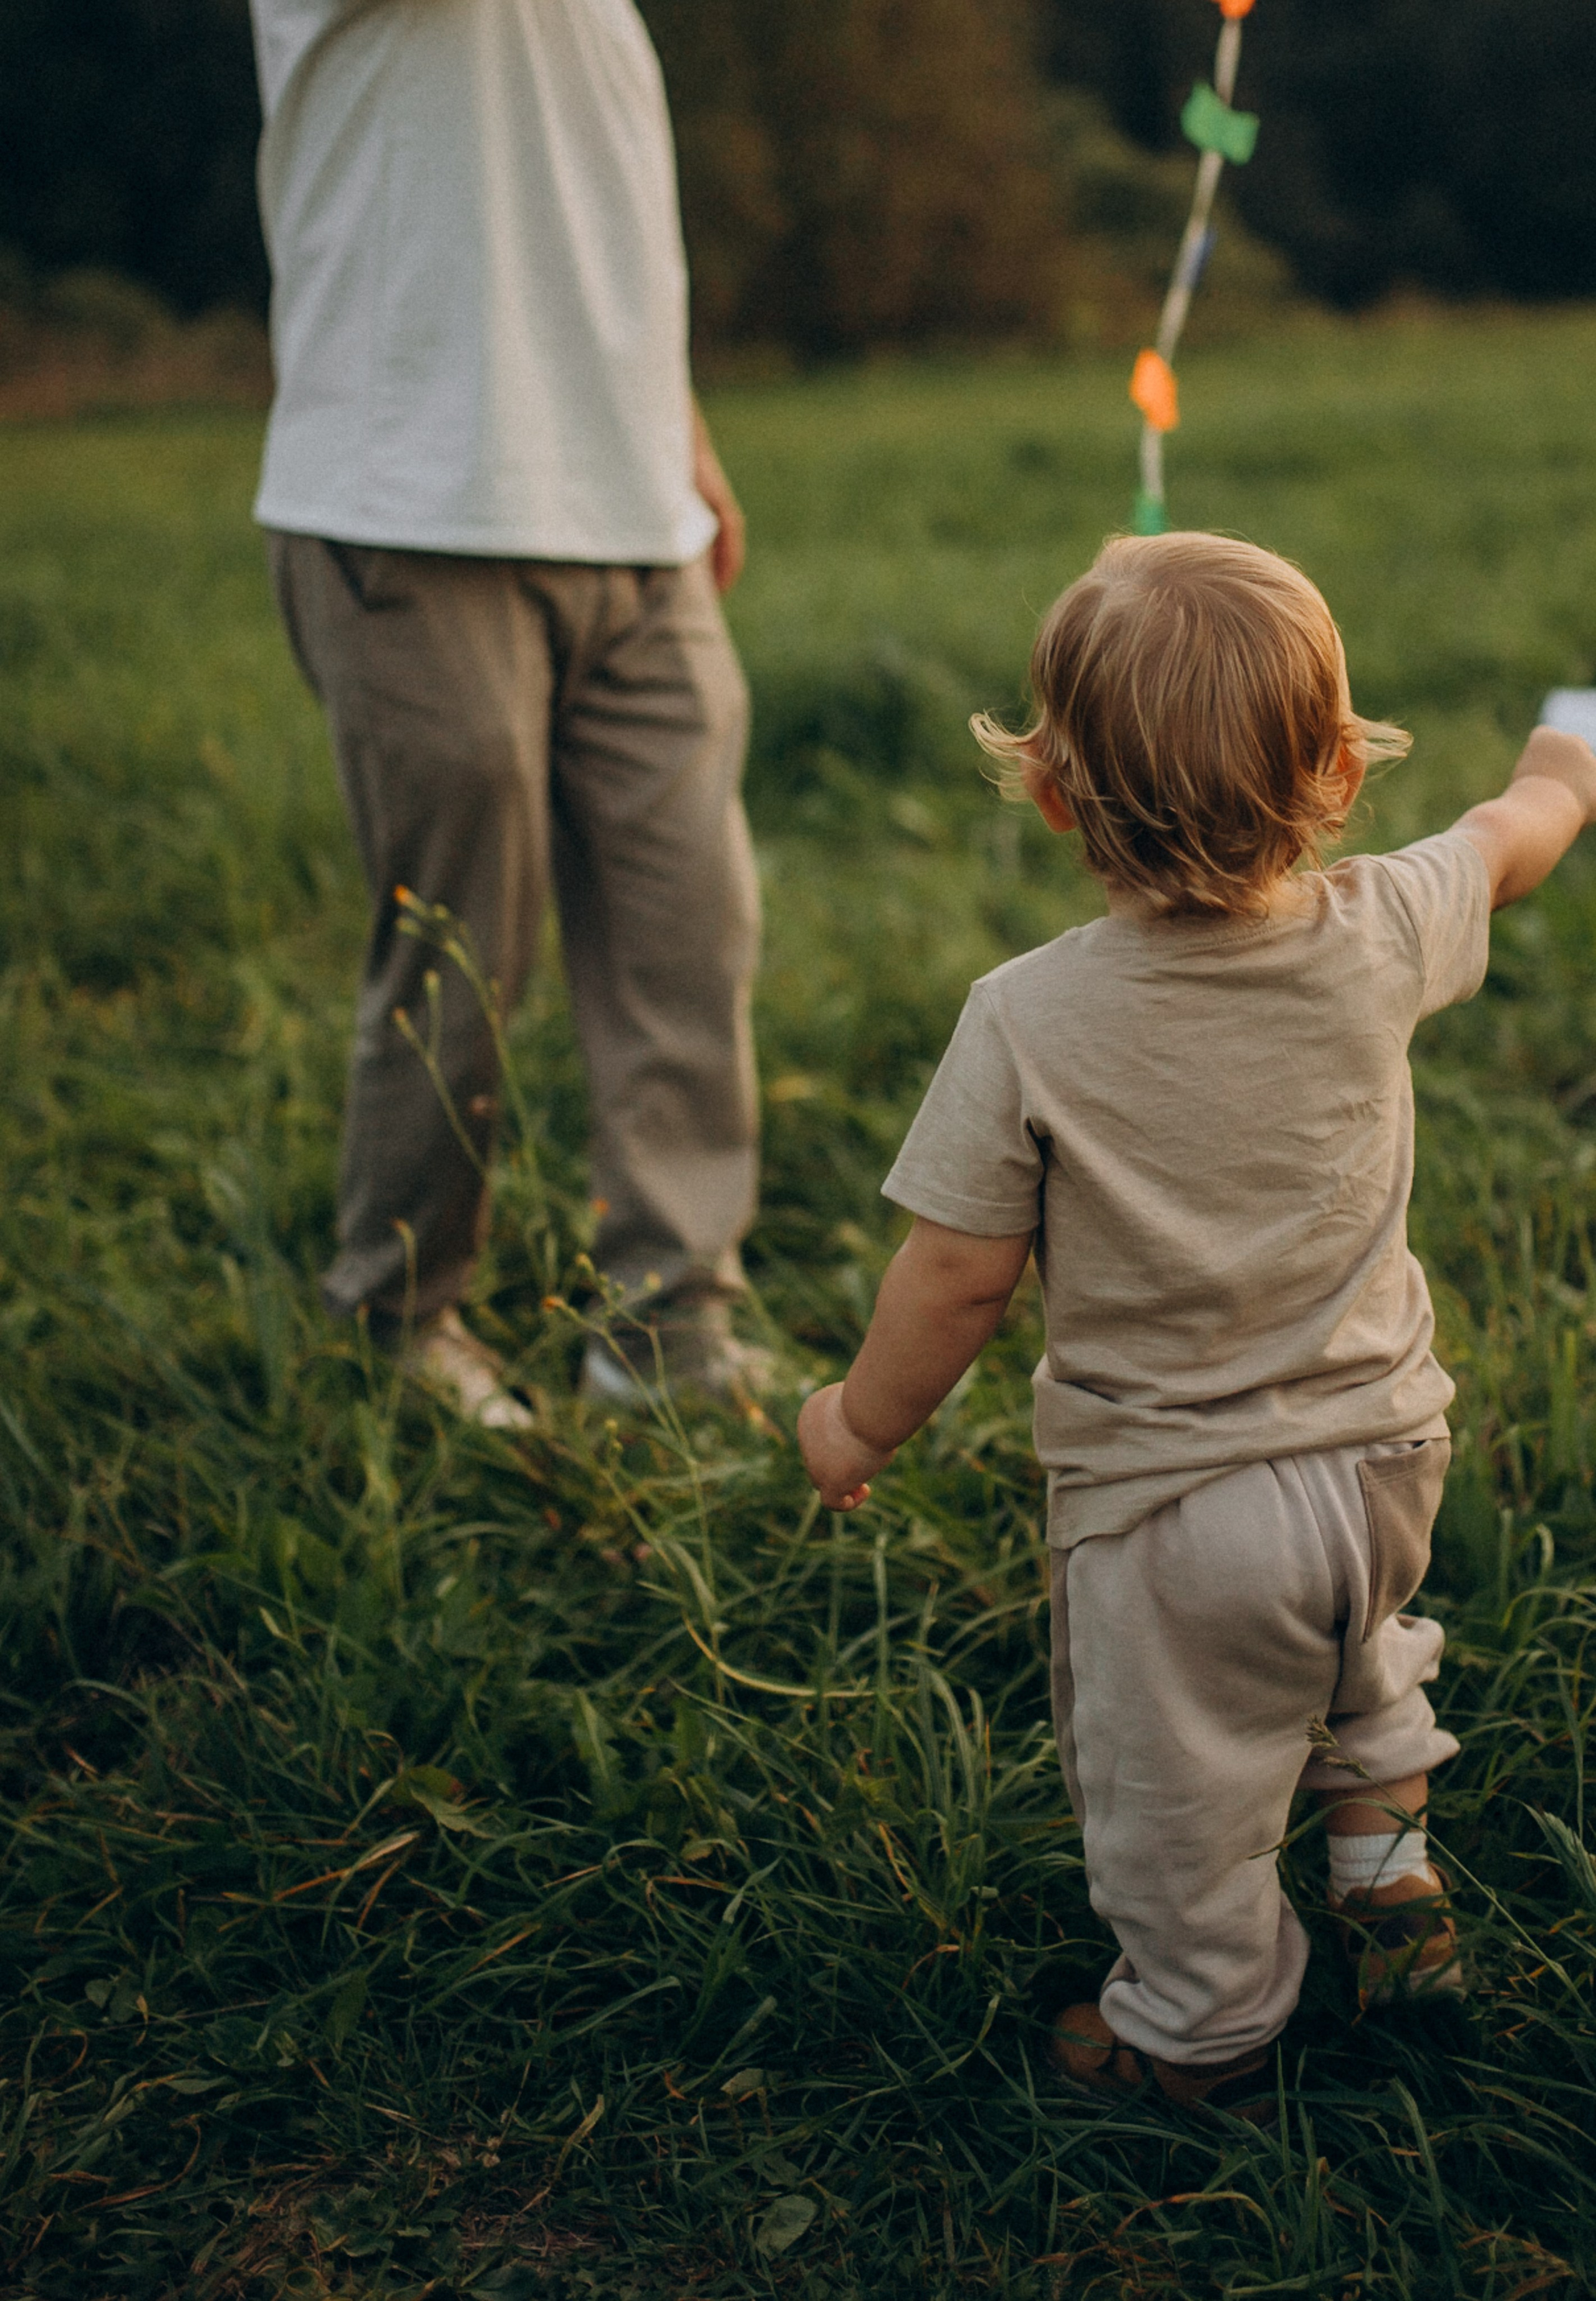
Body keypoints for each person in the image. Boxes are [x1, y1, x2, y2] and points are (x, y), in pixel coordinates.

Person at [798, 531, 1596, 2113]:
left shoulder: (1024, 1015)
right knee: (1353, 1664)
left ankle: (1200, 2018)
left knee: (1173, 1789)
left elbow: (955, 1274)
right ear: (1333, 776)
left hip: (1176, 1514)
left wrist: (858, 1418)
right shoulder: (1383, 926)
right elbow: (1521, 827)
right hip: (1383, 1455)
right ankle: (1385, 1889)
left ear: (1049, 794)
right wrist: (1571, 731)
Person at [248, 0, 764, 1423]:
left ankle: (669, 1330)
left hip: (630, 515)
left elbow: (583, 208)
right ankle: (399, 1325)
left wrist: (683, 440)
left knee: (689, 927)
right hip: (405, 506)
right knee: (458, 948)